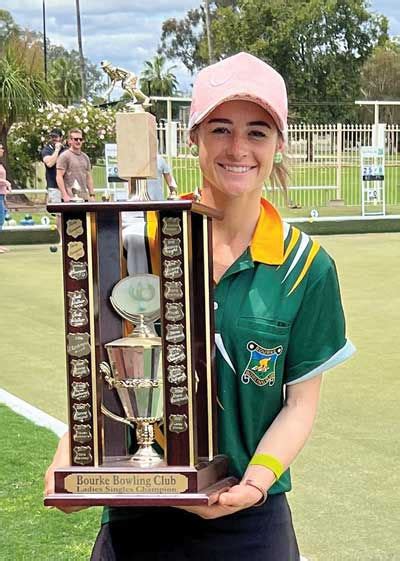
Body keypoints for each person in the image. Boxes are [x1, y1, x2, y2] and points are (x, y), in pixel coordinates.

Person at [45, 52, 355, 560]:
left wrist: (253, 484)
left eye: (257, 132)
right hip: (135, 519)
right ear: (193, 138)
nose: (238, 148)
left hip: (251, 525)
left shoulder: (306, 266)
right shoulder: (136, 240)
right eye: (220, 129)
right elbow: (107, 369)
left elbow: (300, 402)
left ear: (278, 144)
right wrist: (76, 452)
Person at [121, 155, 178, 274]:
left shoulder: (160, 159)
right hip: (136, 211)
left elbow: (169, 178)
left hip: (157, 208)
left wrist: (173, 191)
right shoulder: (131, 159)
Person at [56, 128, 95, 202]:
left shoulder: (85, 157)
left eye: (81, 139)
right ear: (70, 141)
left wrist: (91, 195)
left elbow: (88, 177)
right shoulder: (64, 156)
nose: (78, 141)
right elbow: (59, 176)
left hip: (83, 197)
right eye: (76, 139)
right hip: (69, 198)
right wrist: (65, 195)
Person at [0, 143, 12, 254]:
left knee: (1, 219)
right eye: (1, 148)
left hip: (2, 195)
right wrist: (5, 182)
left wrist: (6, 190)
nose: (3, 150)